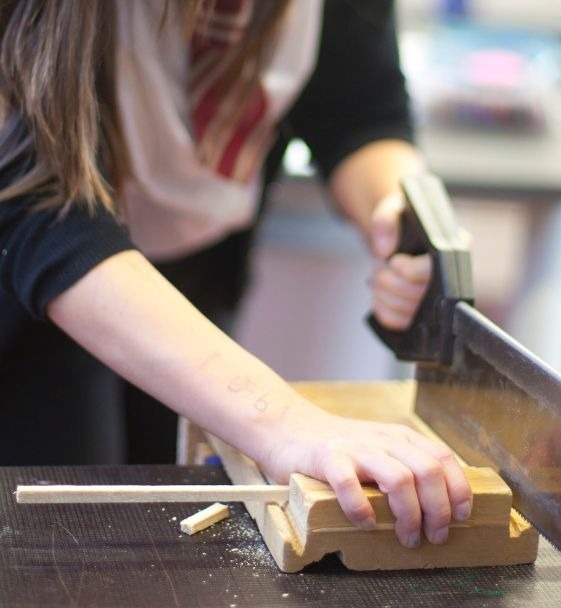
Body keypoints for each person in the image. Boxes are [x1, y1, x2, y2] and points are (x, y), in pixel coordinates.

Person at [0, 0, 472, 548]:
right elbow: (37, 210)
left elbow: (358, 109)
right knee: (71, 547)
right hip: (30, 311)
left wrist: (397, 206)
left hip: (193, 287)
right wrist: (282, 421)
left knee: (168, 545)